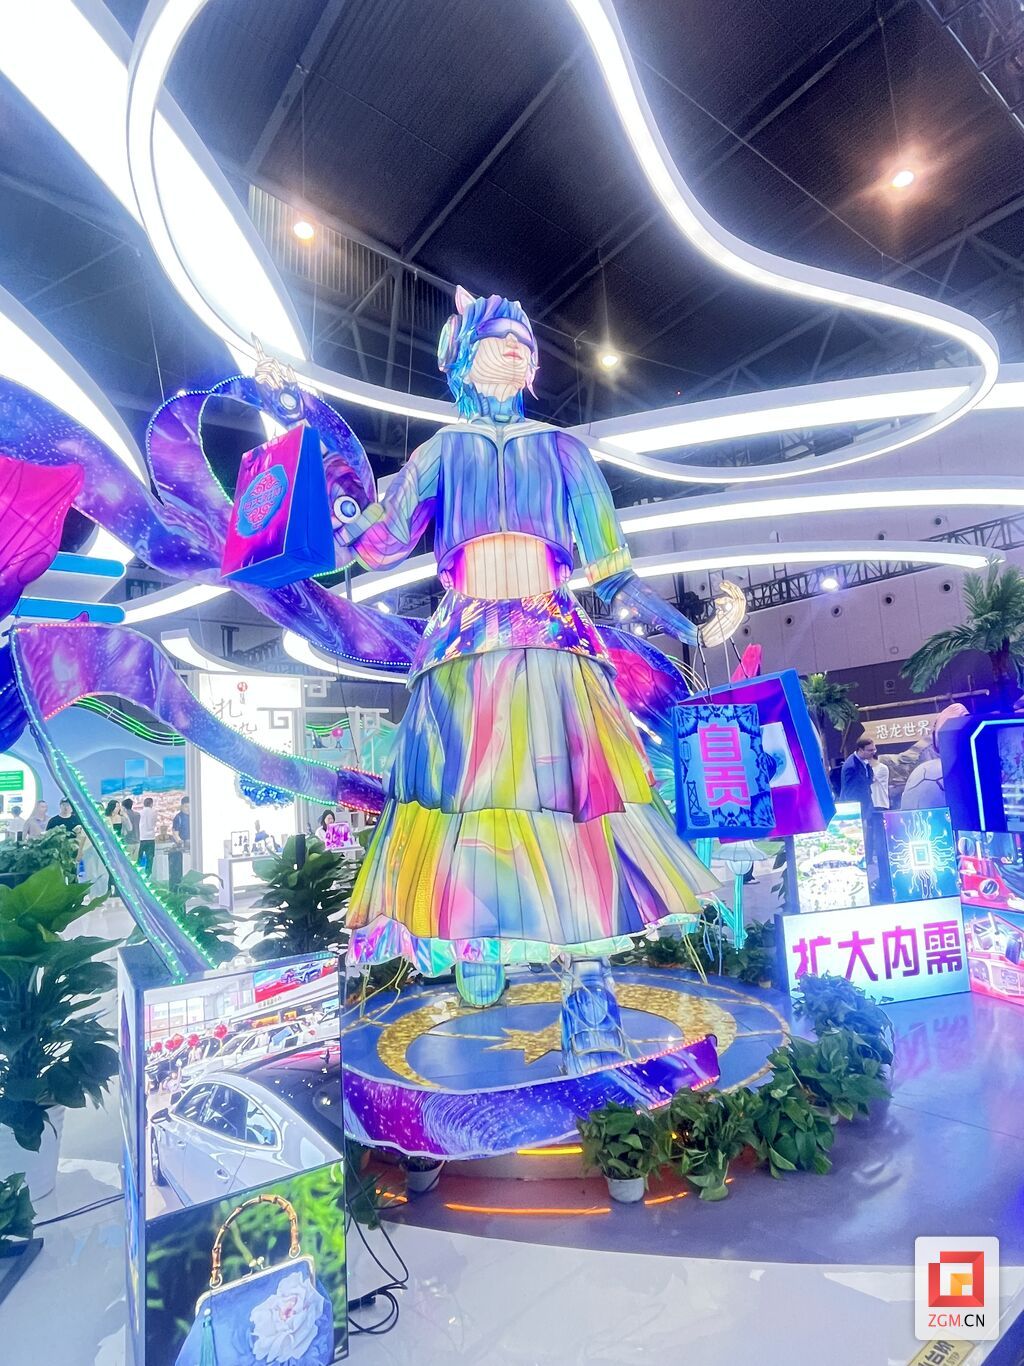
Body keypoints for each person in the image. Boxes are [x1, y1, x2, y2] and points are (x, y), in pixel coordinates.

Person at [336, 287, 715, 1072]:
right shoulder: (441, 451)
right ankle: (478, 936)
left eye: (525, 340)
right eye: (498, 337)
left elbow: (608, 559)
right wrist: (336, 513)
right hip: (466, 646)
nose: (516, 348)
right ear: (462, 359)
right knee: (466, 803)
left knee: (576, 809)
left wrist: (668, 617)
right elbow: (382, 540)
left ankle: (591, 998)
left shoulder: (563, 449)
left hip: (551, 640)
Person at [169, 796, 190, 889]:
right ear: (181, 806)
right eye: (186, 807)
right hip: (182, 848)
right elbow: (175, 833)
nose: (188, 809)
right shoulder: (178, 818)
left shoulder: (194, 816)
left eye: (189, 807)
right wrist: (181, 843)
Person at [137, 797, 157, 873]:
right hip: (151, 837)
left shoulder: (140, 813)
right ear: (151, 804)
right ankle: (148, 873)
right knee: (150, 858)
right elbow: (154, 823)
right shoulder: (154, 812)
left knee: (139, 857)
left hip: (142, 837)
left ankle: (138, 872)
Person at [122, 797, 141, 861]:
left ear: (124, 807)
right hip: (137, 840)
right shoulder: (138, 815)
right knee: (135, 861)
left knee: (128, 861)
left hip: (128, 841)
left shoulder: (124, 816)